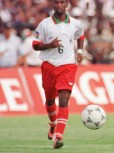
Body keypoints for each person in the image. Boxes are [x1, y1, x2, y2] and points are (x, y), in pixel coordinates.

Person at [32, 0, 85, 149]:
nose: (59, 5)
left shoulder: (75, 23)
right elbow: (35, 45)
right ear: (53, 5)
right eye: (56, 3)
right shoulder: (44, 24)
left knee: (63, 100)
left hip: (67, 66)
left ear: (67, 4)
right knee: (50, 101)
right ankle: (53, 124)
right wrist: (50, 45)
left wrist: (80, 51)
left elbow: (80, 36)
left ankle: (58, 137)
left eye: (62, 2)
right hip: (49, 65)